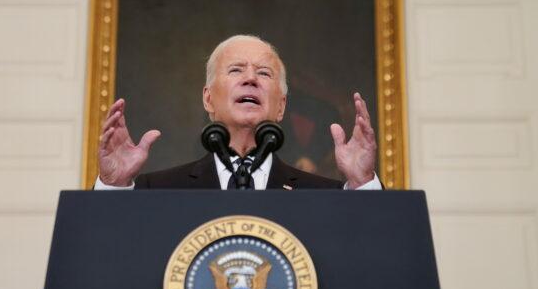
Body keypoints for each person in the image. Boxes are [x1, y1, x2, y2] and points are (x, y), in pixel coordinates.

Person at [95, 35, 381, 190]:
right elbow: (108, 255)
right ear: (208, 99)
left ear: (280, 106)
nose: (251, 79)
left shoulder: (324, 196)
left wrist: (363, 184)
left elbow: (373, 260)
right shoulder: (155, 191)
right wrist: (113, 186)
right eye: (235, 70)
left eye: (264, 73)